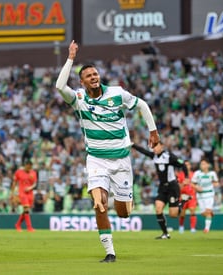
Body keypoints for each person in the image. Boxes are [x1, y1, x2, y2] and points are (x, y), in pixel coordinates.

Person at [55, 40, 159, 263]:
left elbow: (141, 105)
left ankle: (119, 197)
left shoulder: (117, 93)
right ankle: (110, 252)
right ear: (82, 82)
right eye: (89, 76)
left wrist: (153, 131)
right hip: (96, 160)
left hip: (121, 161)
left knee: (123, 213)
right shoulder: (79, 100)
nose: (94, 77)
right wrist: (71, 58)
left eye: (95, 74)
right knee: (99, 204)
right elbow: (60, 87)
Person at [132, 141, 188, 239]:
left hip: (172, 187)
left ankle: (182, 202)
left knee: (173, 215)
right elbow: (143, 151)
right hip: (162, 187)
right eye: (153, 147)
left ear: (162, 146)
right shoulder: (154, 156)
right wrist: (133, 144)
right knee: (158, 208)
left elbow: (182, 164)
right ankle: (165, 233)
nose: (154, 149)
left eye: (156, 146)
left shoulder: (169, 156)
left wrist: (186, 177)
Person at [191, 159, 219, 233]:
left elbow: (216, 183)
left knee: (207, 211)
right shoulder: (197, 173)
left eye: (203, 164)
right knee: (203, 213)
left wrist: (214, 184)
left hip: (209, 194)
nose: (202, 165)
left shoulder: (212, 173)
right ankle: (210, 213)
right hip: (200, 195)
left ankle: (206, 228)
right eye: (201, 164)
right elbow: (192, 183)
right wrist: (196, 187)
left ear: (207, 165)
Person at [11, 160, 37, 232]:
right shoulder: (19, 172)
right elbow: (14, 182)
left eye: (30, 167)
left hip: (30, 193)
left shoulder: (33, 173)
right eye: (28, 167)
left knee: (26, 210)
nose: (29, 169)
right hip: (22, 193)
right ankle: (29, 227)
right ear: (25, 166)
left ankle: (18, 224)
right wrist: (12, 193)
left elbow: (34, 184)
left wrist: (30, 188)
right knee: (26, 208)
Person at [177, 160, 197, 233]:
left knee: (192, 211)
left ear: (190, 166)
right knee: (182, 213)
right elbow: (178, 188)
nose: (186, 166)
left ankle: (192, 228)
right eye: (185, 165)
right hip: (183, 196)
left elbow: (197, 185)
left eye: (188, 165)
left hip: (191, 196)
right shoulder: (180, 175)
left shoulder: (194, 175)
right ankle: (181, 226)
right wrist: (183, 184)